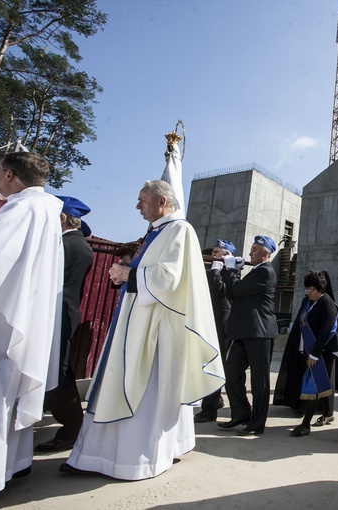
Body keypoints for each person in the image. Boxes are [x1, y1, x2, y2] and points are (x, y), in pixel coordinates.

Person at [62, 180, 224, 480]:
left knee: (142, 390)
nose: (137, 207)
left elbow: (169, 278)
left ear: (162, 200)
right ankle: (99, 455)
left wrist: (130, 274)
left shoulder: (179, 230)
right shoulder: (158, 231)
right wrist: (122, 275)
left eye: (142, 200)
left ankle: (131, 460)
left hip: (156, 330)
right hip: (135, 321)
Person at [0, 152, 64, 498]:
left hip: (4, 318)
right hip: (26, 317)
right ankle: (7, 466)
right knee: (5, 398)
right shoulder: (47, 210)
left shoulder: (22, 208)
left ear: (10, 175)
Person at [36, 196, 94, 452]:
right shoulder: (79, 243)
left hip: (56, 314)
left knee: (57, 372)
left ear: (61, 218)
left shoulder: (64, 244)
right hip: (64, 313)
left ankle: (72, 428)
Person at [218, 235, 278, 436]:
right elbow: (233, 293)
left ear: (265, 253)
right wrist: (230, 272)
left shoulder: (265, 272)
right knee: (232, 372)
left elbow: (237, 289)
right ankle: (241, 413)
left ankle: (256, 424)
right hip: (243, 331)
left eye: (254, 249)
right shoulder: (254, 272)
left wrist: (231, 270)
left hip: (259, 331)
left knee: (259, 381)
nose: (250, 252)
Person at [289, 271, 338, 437]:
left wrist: (314, 354)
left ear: (319, 288)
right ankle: (328, 413)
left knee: (314, 383)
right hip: (311, 349)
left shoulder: (327, 304)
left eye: (311, 289)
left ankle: (305, 425)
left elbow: (326, 331)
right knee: (320, 382)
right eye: (306, 289)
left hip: (323, 350)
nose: (308, 292)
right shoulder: (310, 303)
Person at [194, 240, 237, 423]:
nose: (215, 254)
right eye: (215, 251)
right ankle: (216, 399)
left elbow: (219, 290)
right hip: (207, 320)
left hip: (221, 323)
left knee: (213, 364)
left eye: (219, 252)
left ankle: (209, 410)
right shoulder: (214, 269)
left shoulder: (229, 271)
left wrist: (216, 269)